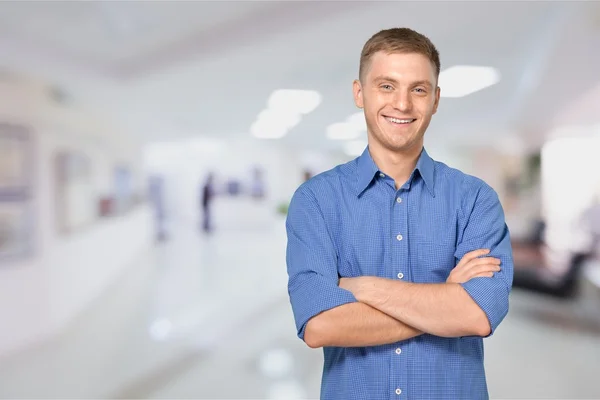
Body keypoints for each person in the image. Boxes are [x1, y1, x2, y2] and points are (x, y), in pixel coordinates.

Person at [285, 28, 514, 400]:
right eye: (387, 86)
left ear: (436, 99)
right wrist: (446, 298)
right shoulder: (317, 201)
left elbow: (476, 315)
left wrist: (359, 287)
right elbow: (320, 325)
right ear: (360, 93)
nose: (403, 104)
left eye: (418, 89)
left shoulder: (475, 200)